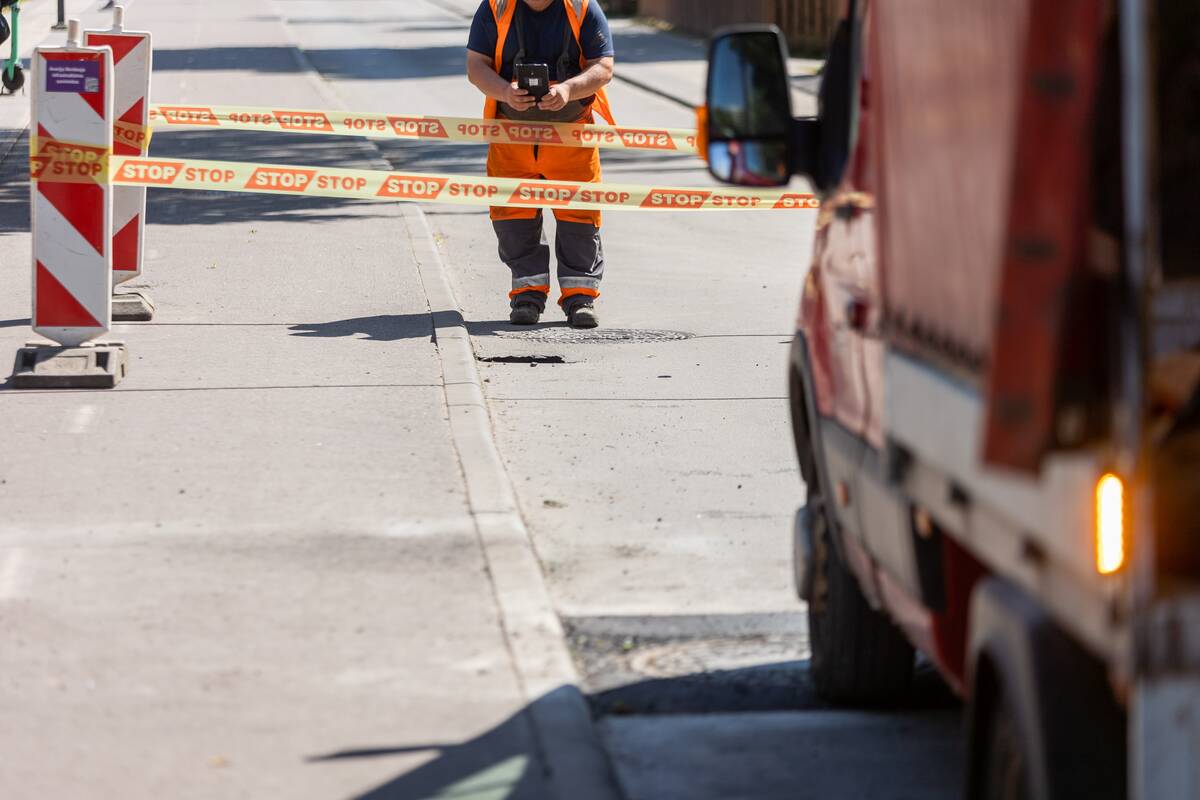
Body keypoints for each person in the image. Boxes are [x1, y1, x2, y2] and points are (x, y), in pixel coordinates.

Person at [467, 0, 615, 329]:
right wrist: (505, 91)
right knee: (513, 215)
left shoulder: (582, 8)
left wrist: (567, 89)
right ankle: (527, 295)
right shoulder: (496, 8)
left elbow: (603, 67)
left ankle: (580, 298)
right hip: (511, 134)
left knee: (579, 214)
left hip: (571, 134)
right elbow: (476, 66)